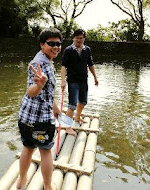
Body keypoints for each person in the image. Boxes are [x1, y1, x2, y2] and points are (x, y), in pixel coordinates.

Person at [17, 27, 62, 190]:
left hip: (25, 118)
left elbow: (47, 91)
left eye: (58, 43)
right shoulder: (38, 64)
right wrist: (39, 85)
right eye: (51, 43)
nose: (56, 47)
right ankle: (49, 186)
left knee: (28, 148)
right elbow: (31, 92)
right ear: (42, 44)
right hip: (41, 121)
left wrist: (54, 107)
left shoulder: (46, 59)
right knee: (45, 152)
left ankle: (21, 180)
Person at [61, 29, 98, 136]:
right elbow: (63, 66)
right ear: (73, 38)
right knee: (72, 105)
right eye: (77, 37)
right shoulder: (68, 50)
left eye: (81, 38)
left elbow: (90, 64)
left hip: (83, 80)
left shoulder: (87, 50)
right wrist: (63, 81)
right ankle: (68, 127)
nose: (79, 40)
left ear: (84, 39)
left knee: (83, 101)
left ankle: (77, 117)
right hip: (72, 81)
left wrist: (95, 77)